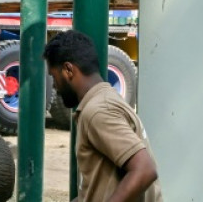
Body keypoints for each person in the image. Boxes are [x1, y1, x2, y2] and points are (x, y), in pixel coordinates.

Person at [44, 30, 162, 201]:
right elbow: (99, 187)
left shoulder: (99, 111)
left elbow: (144, 170)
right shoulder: (106, 100)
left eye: (54, 77)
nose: (54, 86)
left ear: (69, 70)